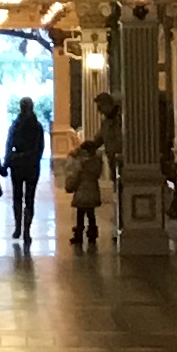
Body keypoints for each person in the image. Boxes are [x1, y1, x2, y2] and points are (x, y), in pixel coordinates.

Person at [62, 101, 109, 252]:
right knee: (91, 214)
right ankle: (92, 233)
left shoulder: (80, 165)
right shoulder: (96, 163)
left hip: (82, 194)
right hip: (93, 192)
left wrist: (70, 185)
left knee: (81, 215)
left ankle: (79, 235)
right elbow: (97, 174)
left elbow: (74, 176)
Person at [3, 94, 48, 249]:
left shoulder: (21, 126)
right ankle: (22, 229)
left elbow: (10, 145)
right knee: (24, 198)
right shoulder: (32, 126)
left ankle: (23, 229)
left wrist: (10, 160)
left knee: (23, 197)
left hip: (22, 164)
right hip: (27, 165)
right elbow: (38, 148)